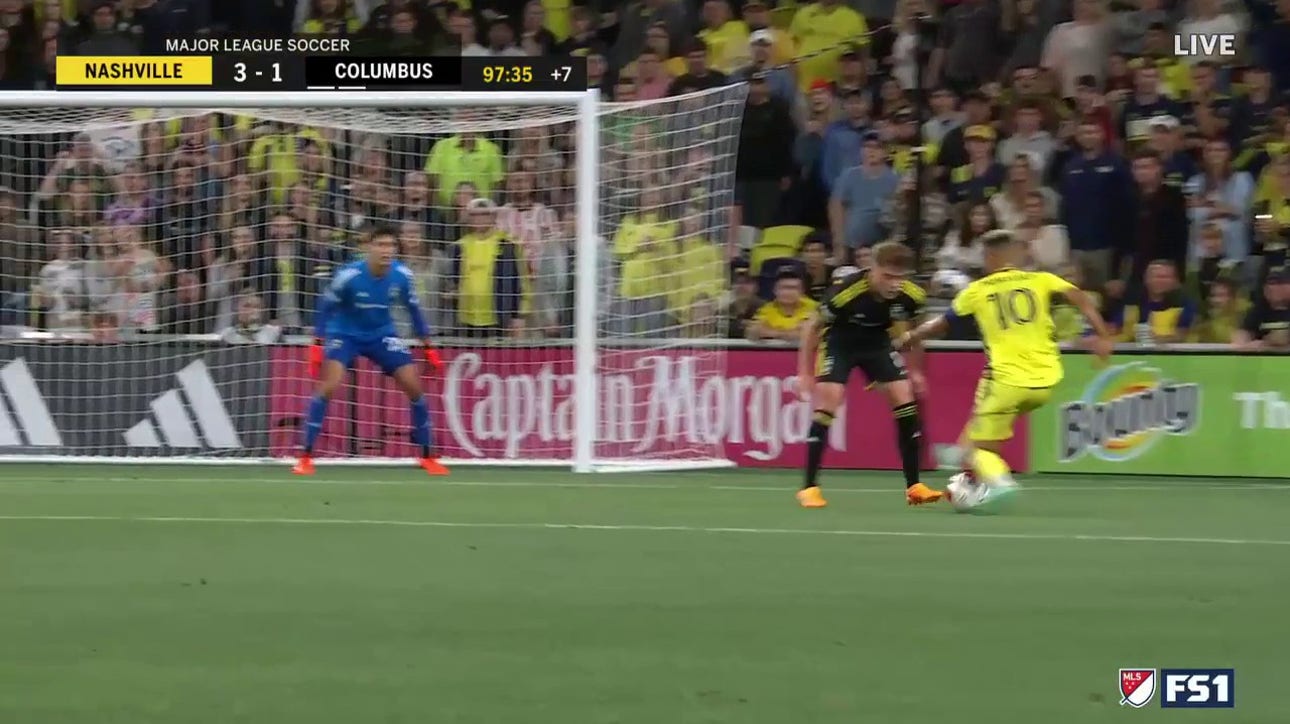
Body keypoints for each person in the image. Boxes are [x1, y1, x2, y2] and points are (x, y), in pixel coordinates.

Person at [896, 230, 1112, 509]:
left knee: (974, 447)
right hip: (1046, 380)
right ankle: (973, 478)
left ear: (990, 257)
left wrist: (910, 337)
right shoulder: (1040, 279)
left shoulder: (978, 289)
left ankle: (999, 482)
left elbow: (941, 323)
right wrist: (1104, 335)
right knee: (987, 425)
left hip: (1009, 380)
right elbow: (1080, 297)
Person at [794, 241, 940, 509]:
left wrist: (916, 371)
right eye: (887, 276)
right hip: (840, 343)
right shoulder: (846, 292)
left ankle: (914, 487)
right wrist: (803, 372)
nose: (894, 284)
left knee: (904, 398)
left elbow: (917, 334)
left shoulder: (912, 296)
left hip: (877, 344)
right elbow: (812, 327)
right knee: (830, 401)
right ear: (872, 269)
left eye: (900, 277)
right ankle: (809, 487)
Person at [294, 226, 448, 477]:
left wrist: (428, 347)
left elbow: (414, 311)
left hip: (381, 334)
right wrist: (317, 343)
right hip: (344, 333)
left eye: (391, 245)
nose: (387, 250)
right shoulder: (349, 275)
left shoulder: (402, 275)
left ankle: (428, 455)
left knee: (414, 387)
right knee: (328, 386)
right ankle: (305, 455)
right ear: (369, 248)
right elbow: (325, 307)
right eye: (381, 245)